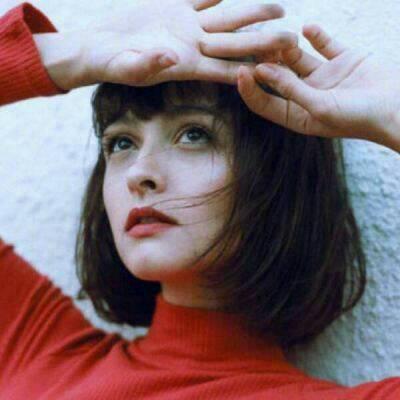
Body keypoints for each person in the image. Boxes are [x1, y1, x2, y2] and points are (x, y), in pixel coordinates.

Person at [0, 2, 399, 400]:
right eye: (121, 143)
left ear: (273, 176)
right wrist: (78, 52)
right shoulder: (40, 353)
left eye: (194, 135)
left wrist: (389, 111)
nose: (140, 173)